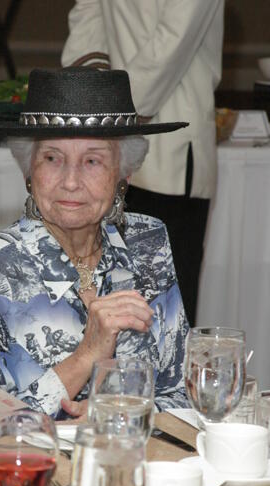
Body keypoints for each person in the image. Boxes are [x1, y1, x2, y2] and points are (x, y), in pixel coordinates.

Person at [0, 67, 190, 442]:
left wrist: (121, 413)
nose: (70, 181)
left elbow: (181, 393)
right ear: (29, 169)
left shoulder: (147, 243)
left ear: (124, 173)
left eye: (93, 161)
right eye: (53, 158)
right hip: (30, 482)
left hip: (133, 470)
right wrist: (85, 357)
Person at [61, 0, 225, 326]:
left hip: (170, 150)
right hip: (108, 145)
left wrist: (106, 109)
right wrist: (82, 100)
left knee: (165, 312)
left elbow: (173, 41)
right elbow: (89, 18)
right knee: (101, 297)